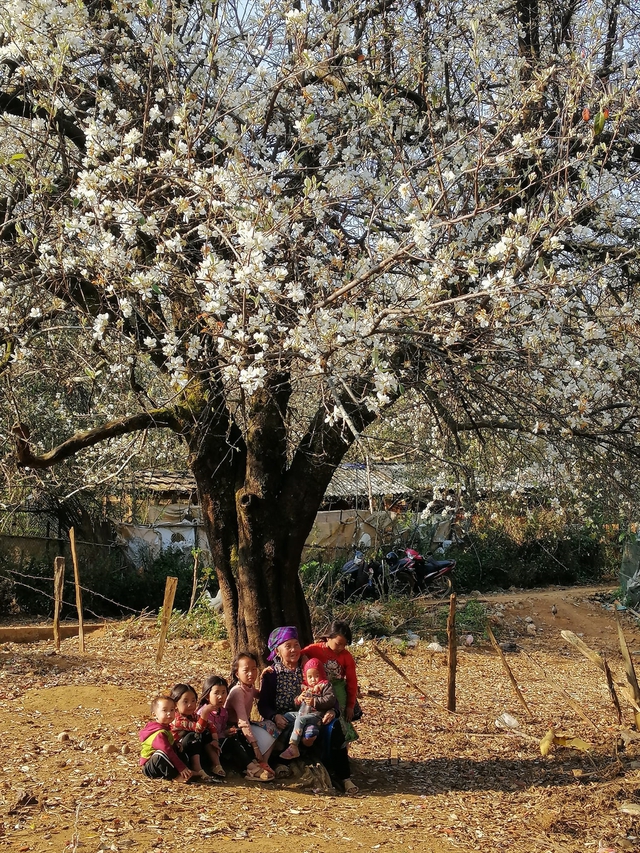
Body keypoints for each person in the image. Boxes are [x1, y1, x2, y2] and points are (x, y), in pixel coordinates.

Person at [258, 625, 359, 794]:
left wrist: (333, 711)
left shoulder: (309, 669)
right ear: (277, 651)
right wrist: (274, 716)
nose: (294, 650)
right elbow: (263, 704)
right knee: (275, 730)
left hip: (311, 716)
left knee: (334, 727)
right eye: (287, 646)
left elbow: (328, 691)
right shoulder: (271, 674)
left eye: (296, 645)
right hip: (285, 719)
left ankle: (343, 777)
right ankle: (277, 764)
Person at [301, 620, 360, 743]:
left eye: (344, 645)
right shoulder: (314, 649)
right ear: (328, 638)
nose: (341, 648)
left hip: (338, 692)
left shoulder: (346, 657)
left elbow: (352, 681)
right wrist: (303, 658)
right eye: (338, 644)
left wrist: (350, 705)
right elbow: (298, 654)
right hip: (319, 690)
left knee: (342, 722)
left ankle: (343, 751)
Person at [225, 652, 277, 781]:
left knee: (273, 726)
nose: (251, 674)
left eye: (254, 669)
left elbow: (260, 695)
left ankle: (263, 762)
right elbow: (243, 721)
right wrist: (255, 747)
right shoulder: (237, 691)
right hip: (233, 727)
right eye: (246, 670)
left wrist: (263, 679)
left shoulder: (248, 687)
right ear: (237, 674)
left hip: (245, 725)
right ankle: (253, 767)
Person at [279, 658, 336, 760]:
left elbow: (330, 699)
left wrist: (315, 702)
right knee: (287, 716)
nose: (313, 680)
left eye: (316, 676)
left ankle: (294, 746)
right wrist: (298, 699)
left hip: (316, 715)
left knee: (301, 720)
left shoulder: (325, 685)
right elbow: (296, 704)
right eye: (310, 677)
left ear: (322, 674)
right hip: (302, 713)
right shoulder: (304, 687)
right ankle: (280, 742)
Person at [169, 683, 221, 781]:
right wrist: (205, 713)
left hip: (191, 749)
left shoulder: (192, 715)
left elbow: (210, 724)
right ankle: (197, 768)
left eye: (193, 701)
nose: (190, 705)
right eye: (185, 701)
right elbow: (198, 728)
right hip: (178, 752)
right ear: (175, 705)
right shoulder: (177, 719)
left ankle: (216, 765)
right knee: (193, 736)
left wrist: (215, 740)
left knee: (206, 733)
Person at [138, 695, 193, 782]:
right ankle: (176, 776)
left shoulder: (165, 728)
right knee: (160, 755)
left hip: (164, 764)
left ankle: (188, 771)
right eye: (164, 710)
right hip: (151, 766)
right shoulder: (159, 733)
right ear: (154, 714)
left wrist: (175, 744)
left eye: (172, 710)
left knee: (178, 748)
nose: (169, 713)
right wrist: (181, 768)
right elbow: (168, 751)